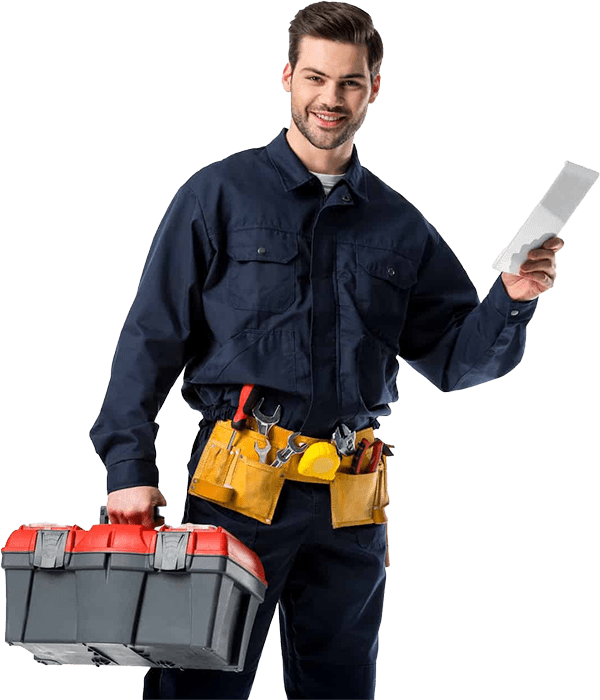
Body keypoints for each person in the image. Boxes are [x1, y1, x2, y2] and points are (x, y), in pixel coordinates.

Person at [89, 3, 564, 698]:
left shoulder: (399, 225)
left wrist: (513, 298)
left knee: (341, 689)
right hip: (237, 489)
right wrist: (128, 467)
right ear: (288, 77)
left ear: (374, 88)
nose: (330, 98)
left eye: (350, 82)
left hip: (350, 499)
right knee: (198, 686)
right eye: (315, 77)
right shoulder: (217, 195)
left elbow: (457, 361)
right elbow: (150, 336)